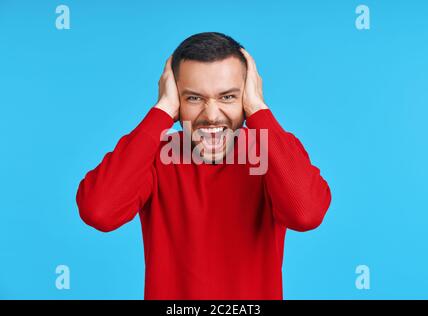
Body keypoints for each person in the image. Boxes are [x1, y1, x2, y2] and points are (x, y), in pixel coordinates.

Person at [76, 32, 332, 300]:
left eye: (228, 97)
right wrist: (161, 111)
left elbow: (306, 215)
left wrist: (258, 110)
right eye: (194, 98)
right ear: (176, 99)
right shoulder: (153, 155)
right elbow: (99, 211)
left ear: (247, 94)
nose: (211, 116)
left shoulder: (271, 153)